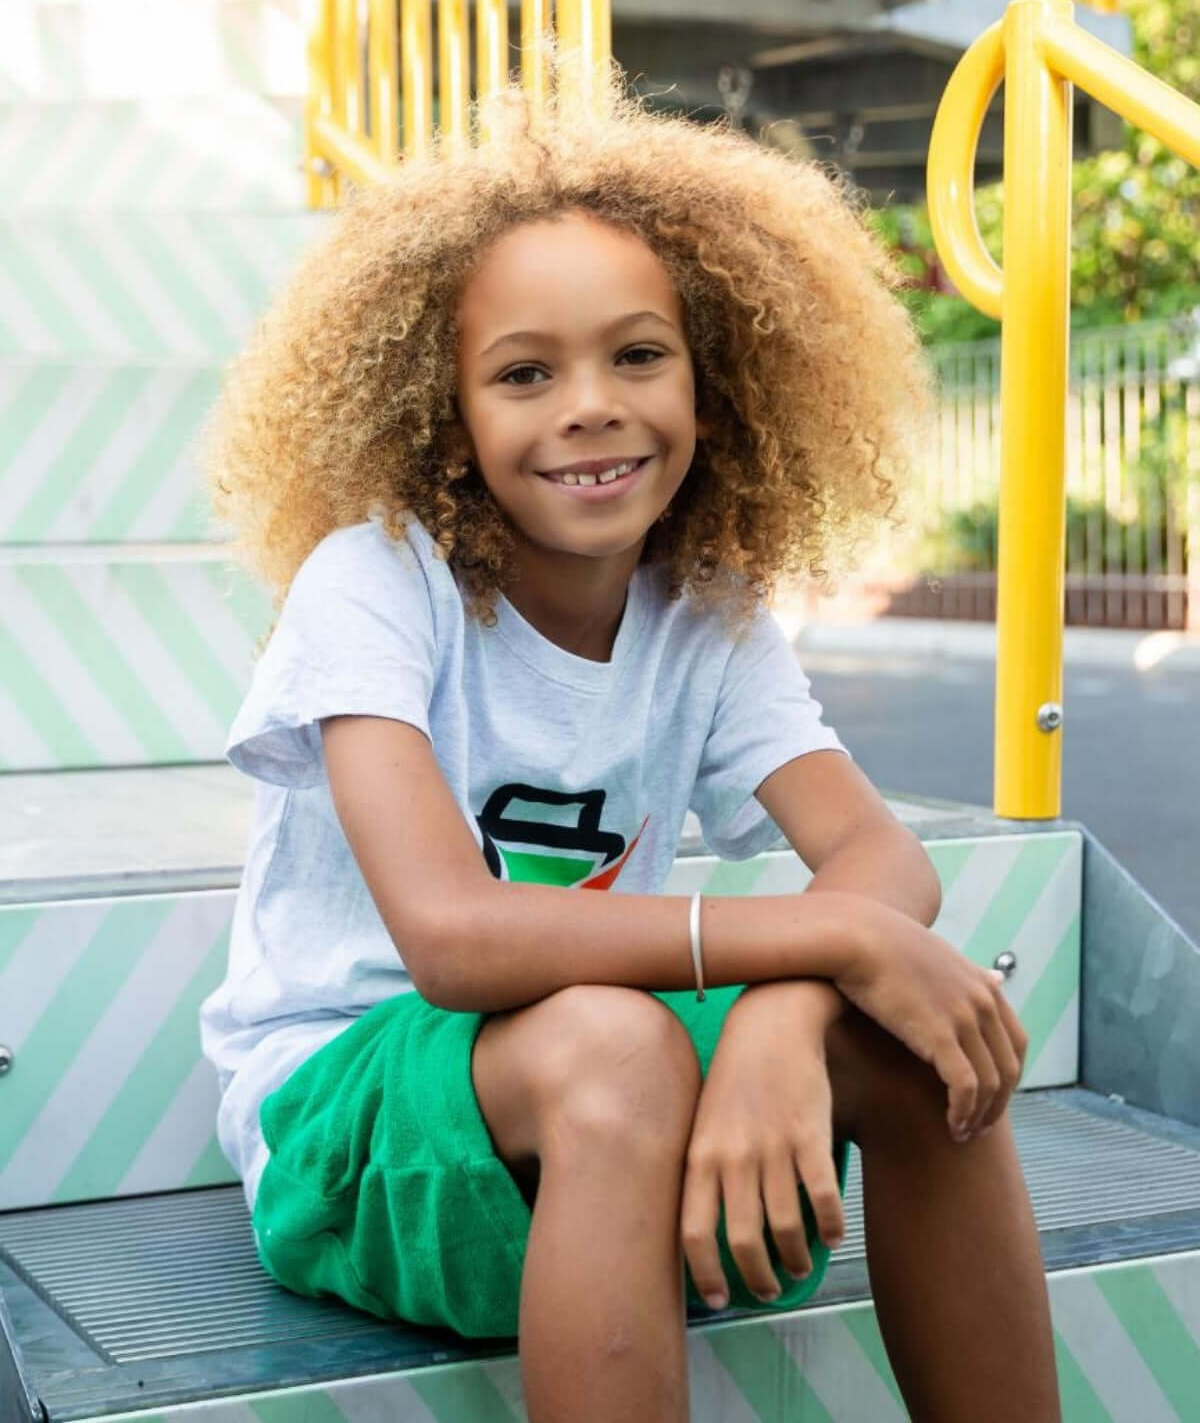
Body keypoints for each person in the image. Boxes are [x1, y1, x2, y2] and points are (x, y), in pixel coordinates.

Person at [199, 71, 1060, 1422]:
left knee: (919, 1035)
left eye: (640, 355)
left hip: (614, 1105)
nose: (590, 404)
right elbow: (453, 939)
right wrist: (823, 942)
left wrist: (783, 1017)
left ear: (715, 386)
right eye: (523, 373)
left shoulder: (704, 613)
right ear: (446, 417)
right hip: (352, 1128)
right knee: (618, 1043)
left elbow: (878, 858)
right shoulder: (376, 583)